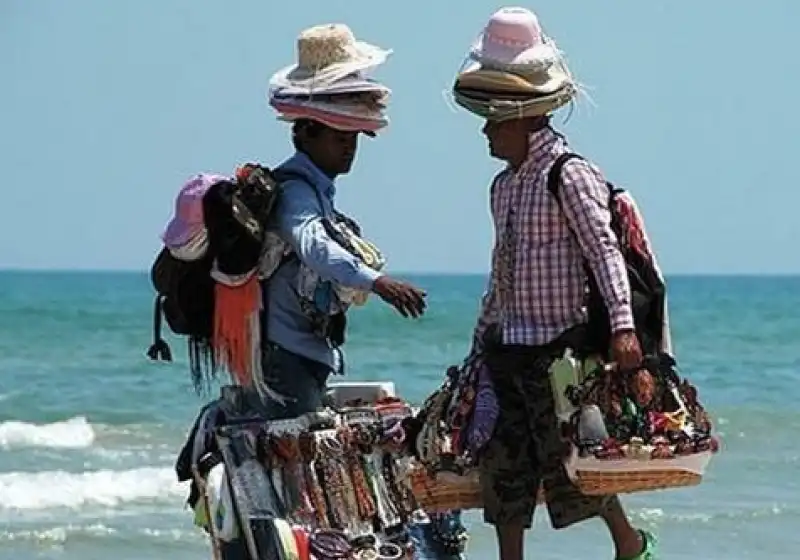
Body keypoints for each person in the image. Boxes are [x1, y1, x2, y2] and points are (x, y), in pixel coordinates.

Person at [450, 7, 663, 560]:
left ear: (521, 115)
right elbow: (502, 270)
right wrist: (480, 342)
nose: (486, 130)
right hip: (509, 348)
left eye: (494, 119)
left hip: (559, 348)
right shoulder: (503, 188)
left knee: (572, 459)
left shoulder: (568, 174)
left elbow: (603, 250)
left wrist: (622, 328)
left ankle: (629, 543)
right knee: (505, 464)